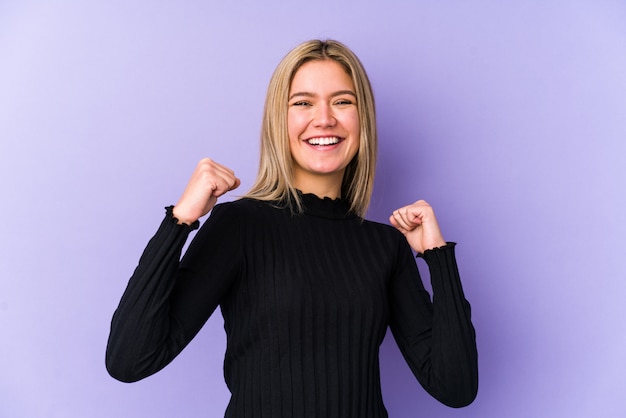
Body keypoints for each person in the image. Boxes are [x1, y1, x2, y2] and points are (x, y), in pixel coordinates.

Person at [106, 39, 478, 417]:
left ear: (362, 118)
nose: (324, 119)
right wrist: (180, 220)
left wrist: (437, 257)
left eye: (343, 101)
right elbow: (130, 359)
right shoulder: (240, 225)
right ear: (278, 120)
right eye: (303, 102)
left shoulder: (385, 245)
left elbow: (455, 387)